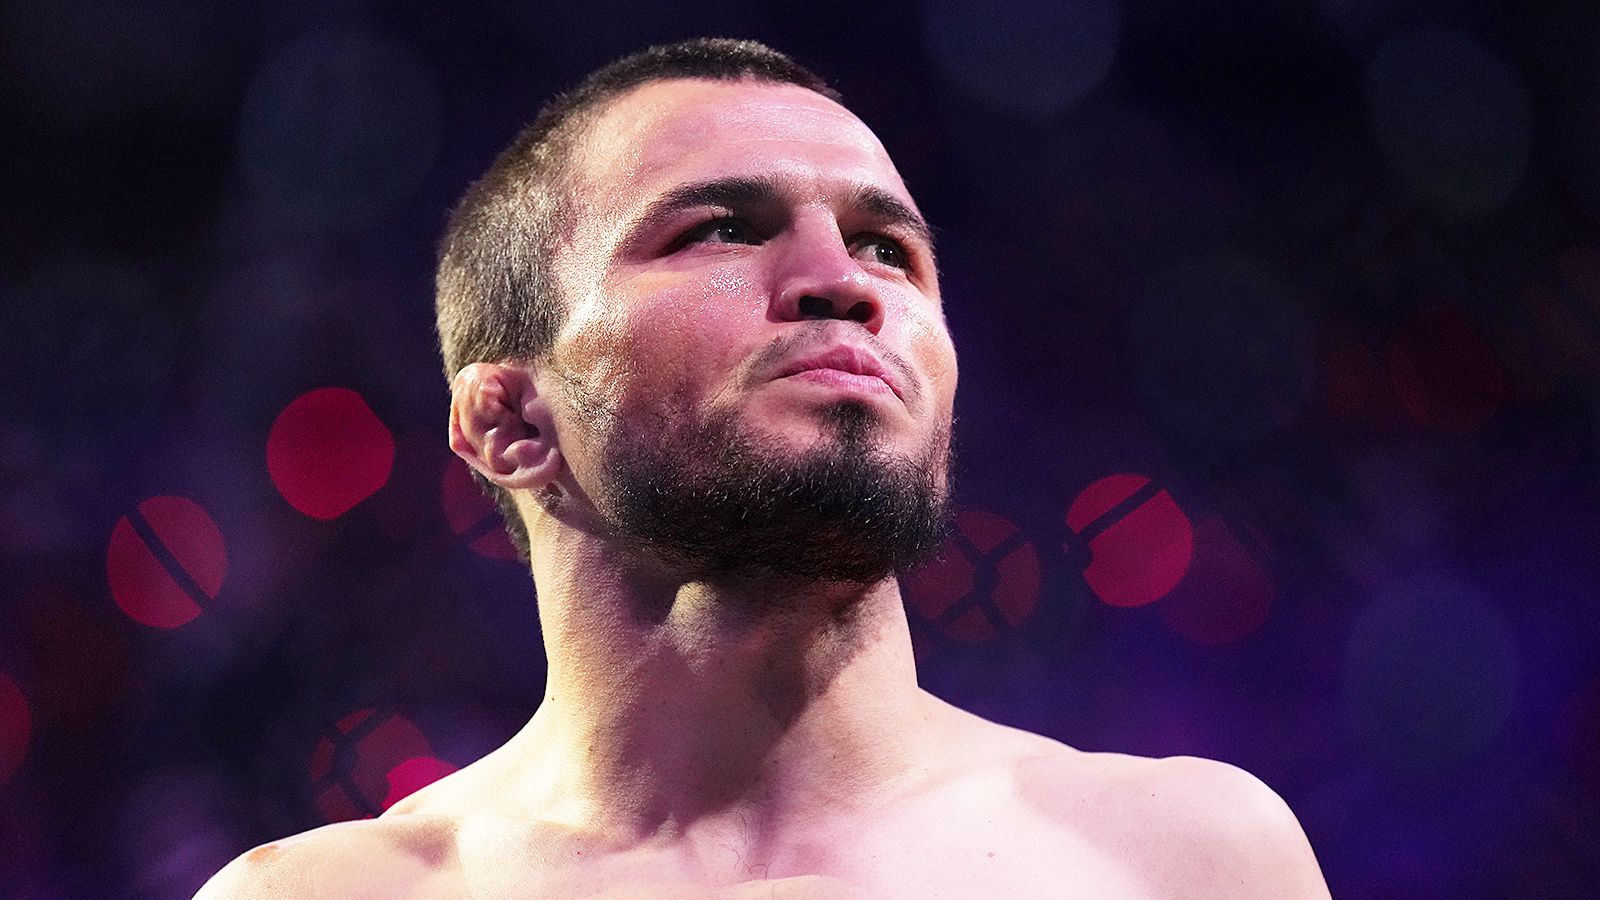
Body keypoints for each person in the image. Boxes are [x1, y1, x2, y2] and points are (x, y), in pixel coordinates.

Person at [198, 38, 1331, 898]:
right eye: (722, 230)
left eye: (889, 248)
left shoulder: (1185, 859)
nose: (845, 280)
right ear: (511, 421)